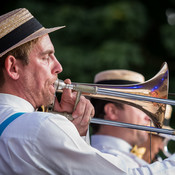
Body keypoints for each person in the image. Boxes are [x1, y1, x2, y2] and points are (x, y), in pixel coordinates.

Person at [1, 8, 175, 175]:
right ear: (13, 67)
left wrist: (76, 133)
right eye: (46, 57)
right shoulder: (41, 126)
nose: (58, 67)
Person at [90, 69, 151, 167]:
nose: (148, 118)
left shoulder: (127, 158)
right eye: (140, 107)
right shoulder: (106, 156)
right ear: (112, 111)